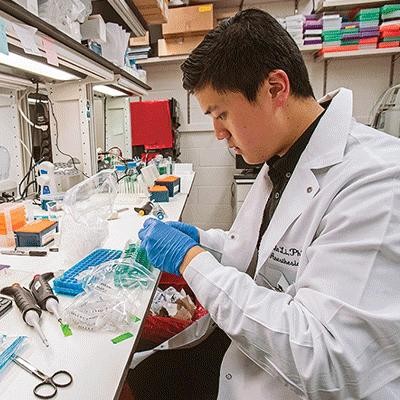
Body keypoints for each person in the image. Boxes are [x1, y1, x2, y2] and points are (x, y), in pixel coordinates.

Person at [138, 8, 400, 400]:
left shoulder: (377, 180)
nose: (217, 132)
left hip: (296, 382)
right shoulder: (282, 156)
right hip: (241, 356)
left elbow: (324, 357)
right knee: (146, 373)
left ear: (275, 89)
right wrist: (204, 241)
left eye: (221, 113)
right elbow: (262, 257)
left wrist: (191, 260)